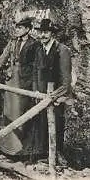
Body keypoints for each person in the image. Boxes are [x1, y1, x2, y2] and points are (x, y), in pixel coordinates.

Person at [0, 16, 38, 160]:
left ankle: (23, 153)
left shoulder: (34, 45)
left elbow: (37, 68)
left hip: (25, 85)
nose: (17, 30)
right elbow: (0, 62)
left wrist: (36, 88)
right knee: (9, 115)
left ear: (28, 29)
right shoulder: (12, 43)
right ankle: (7, 151)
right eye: (16, 27)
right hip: (11, 84)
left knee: (23, 117)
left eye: (20, 28)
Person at [25, 18, 72, 165]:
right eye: (40, 32)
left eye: (46, 32)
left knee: (57, 124)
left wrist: (53, 96)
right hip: (41, 95)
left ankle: (58, 155)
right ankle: (41, 155)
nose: (42, 35)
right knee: (40, 124)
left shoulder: (62, 50)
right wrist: (36, 93)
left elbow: (66, 83)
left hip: (56, 96)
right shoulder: (39, 49)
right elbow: (35, 73)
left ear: (52, 33)